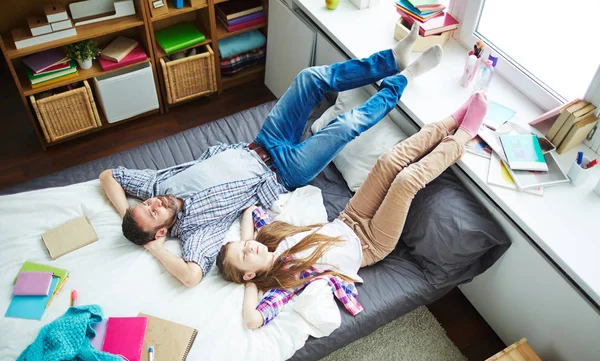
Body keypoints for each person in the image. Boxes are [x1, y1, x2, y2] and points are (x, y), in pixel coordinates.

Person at [99, 24, 442, 287]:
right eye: (153, 213)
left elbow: (108, 176)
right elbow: (190, 277)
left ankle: (391, 60)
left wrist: (126, 215)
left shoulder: (156, 184)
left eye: (146, 204)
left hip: (263, 141)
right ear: (162, 233)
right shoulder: (195, 230)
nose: (154, 203)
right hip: (284, 172)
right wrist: (154, 249)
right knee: (345, 126)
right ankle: (406, 77)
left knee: (309, 78)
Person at [216, 92, 488, 329]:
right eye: (243, 254)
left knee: (388, 161)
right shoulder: (282, 283)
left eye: (242, 245)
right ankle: (463, 136)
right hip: (370, 244)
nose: (248, 247)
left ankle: (450, 122)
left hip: (349, 218)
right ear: (249, 274)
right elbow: (253, 319)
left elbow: (250, 211)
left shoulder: (267, 239)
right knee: (406, 182)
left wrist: (248, 240)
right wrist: (251, 285)